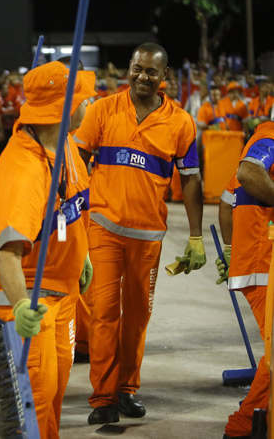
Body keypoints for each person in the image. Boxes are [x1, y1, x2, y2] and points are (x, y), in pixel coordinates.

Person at [73, 42, 205, 424]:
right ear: (127, 70)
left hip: (148, 236)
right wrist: (73, 216)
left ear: (165, 77)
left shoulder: (181, 122)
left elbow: (191, 178)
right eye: (137, 68)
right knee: (104, 315)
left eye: (151, 71)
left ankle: (126, 389)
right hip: (103, 229)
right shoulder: (102, 110)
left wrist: (195, 236)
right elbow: (77, 160)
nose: (142, 76)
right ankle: (102, 398)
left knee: (138, 317)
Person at [0, 60, 95, 439]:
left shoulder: (67, 147)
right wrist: (21, 306)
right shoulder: (23, 170)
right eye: (83, 99)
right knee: (39, 399)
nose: (89, 106)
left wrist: (85, 253)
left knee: (57, 388)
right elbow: (8, 253)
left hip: (64, 288)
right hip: (32, 294)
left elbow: (72, 207)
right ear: (63, 108)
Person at [216, 121, 274, 439]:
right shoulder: (269, 136)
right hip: (262, 264)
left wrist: (229, 248)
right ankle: (242, 426)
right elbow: (248, 173)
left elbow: (226, 203)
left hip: (257, 262)